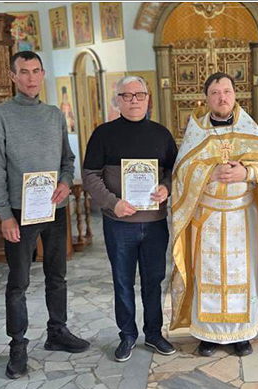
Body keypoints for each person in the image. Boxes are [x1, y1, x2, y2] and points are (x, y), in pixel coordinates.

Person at [170, 72, 258, 357]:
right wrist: (208, 172)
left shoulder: (248, 128)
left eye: (226, 91)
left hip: (243, 217)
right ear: (207, 98)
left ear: (234, 94)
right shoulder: (197, 132)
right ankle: (208, 335)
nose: (222, 97)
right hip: (207, 219)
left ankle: (243, 334)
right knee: (208, 272)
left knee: (243, 271)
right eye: (215, 93)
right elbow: (181, 173)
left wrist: (248, 172)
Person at [0, 51, 89, 380]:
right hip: (19, 213)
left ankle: (57, 331)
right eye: (24, 72)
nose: (30, 78)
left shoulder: (54, 114)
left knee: (57, 275)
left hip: (54, 209)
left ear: (43, 74)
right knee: (18, 282)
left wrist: (64, 182)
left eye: (35, 71)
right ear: (13, 76)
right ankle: (18, 346)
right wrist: (5, 214)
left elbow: (67, 160)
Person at [82, 76, 178, 362]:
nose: (134, 100)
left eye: (139, 95)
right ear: (118, 100)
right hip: (119, 223)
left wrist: (166, 188)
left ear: (148, 98)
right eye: (127, 95)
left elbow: (174, 172)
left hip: (154, 223)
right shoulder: (103, 134)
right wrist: (113, 203)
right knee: (123, 281)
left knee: (154, 280)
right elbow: (90, 176)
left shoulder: (161, 134)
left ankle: (154, 333)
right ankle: (127, 335)